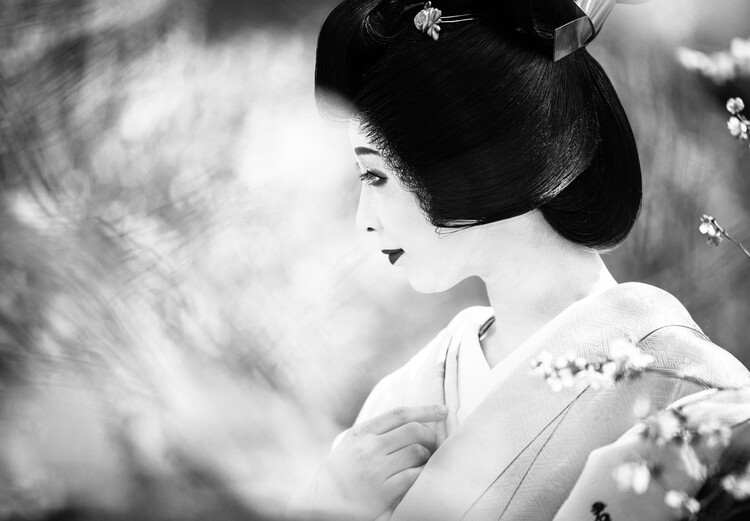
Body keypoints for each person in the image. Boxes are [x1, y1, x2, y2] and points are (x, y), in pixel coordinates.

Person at [291, 0, 750, 519]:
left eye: (376, 176)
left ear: (473, 158)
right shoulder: (404, 397)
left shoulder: (692, 392)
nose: (364, 221)